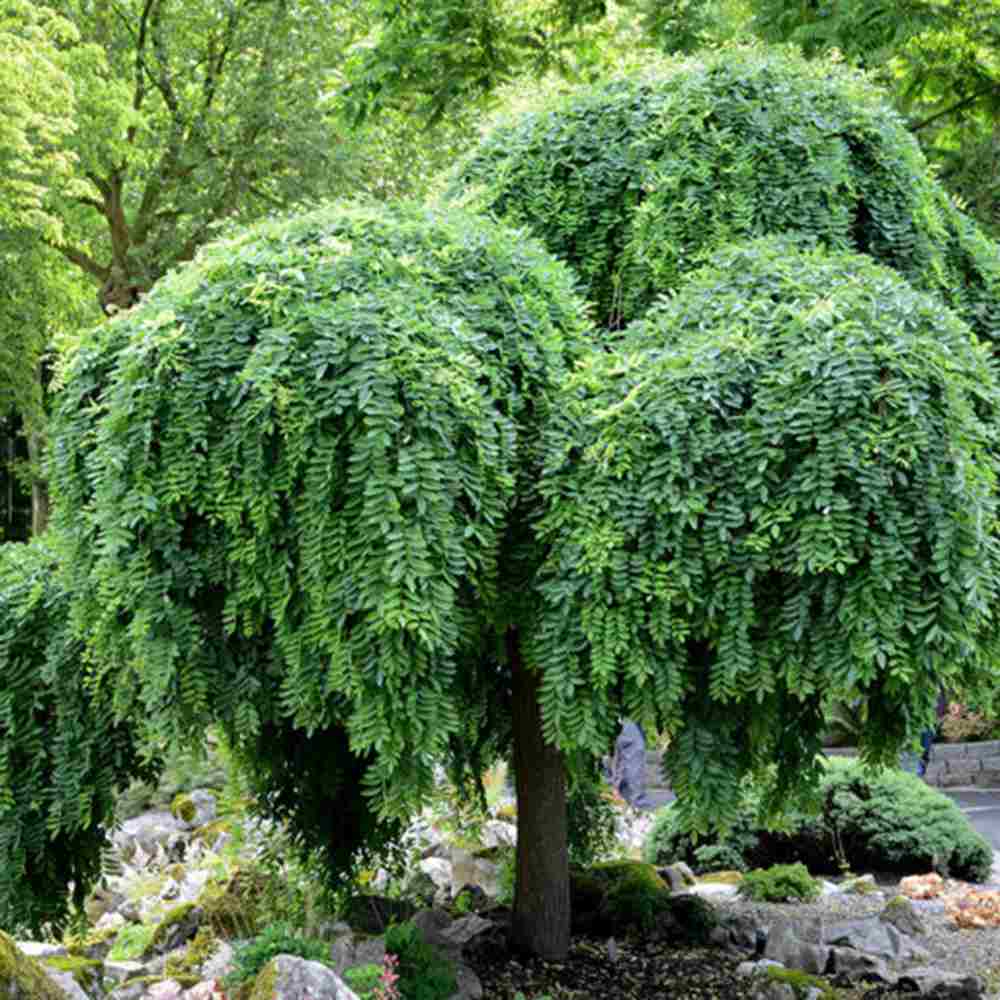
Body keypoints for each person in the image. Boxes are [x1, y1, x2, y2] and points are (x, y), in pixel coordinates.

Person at [609, 718, 651, 809]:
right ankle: (634, 801)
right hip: (628, 722)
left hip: (624, 721)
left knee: (621, 756)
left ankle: (618, 792)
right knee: (633, 755)